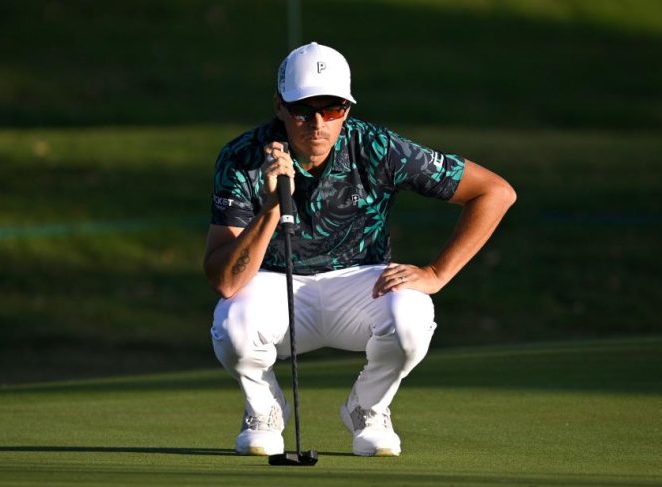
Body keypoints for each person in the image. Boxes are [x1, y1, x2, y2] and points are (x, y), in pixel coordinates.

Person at [204, 42, 516, 457]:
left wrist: (438, 273)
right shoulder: (243, 158)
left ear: (347, 110)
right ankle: (265, 410)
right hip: (273, 288)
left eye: (331, 109)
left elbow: (494, 192)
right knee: (232, 326)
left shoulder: (376, 147)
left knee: (413, 313)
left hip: (359, 284)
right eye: (303, 109)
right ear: (279, 107)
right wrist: (272, 209)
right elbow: (225, 280)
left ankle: (368, 408)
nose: (317, 123)